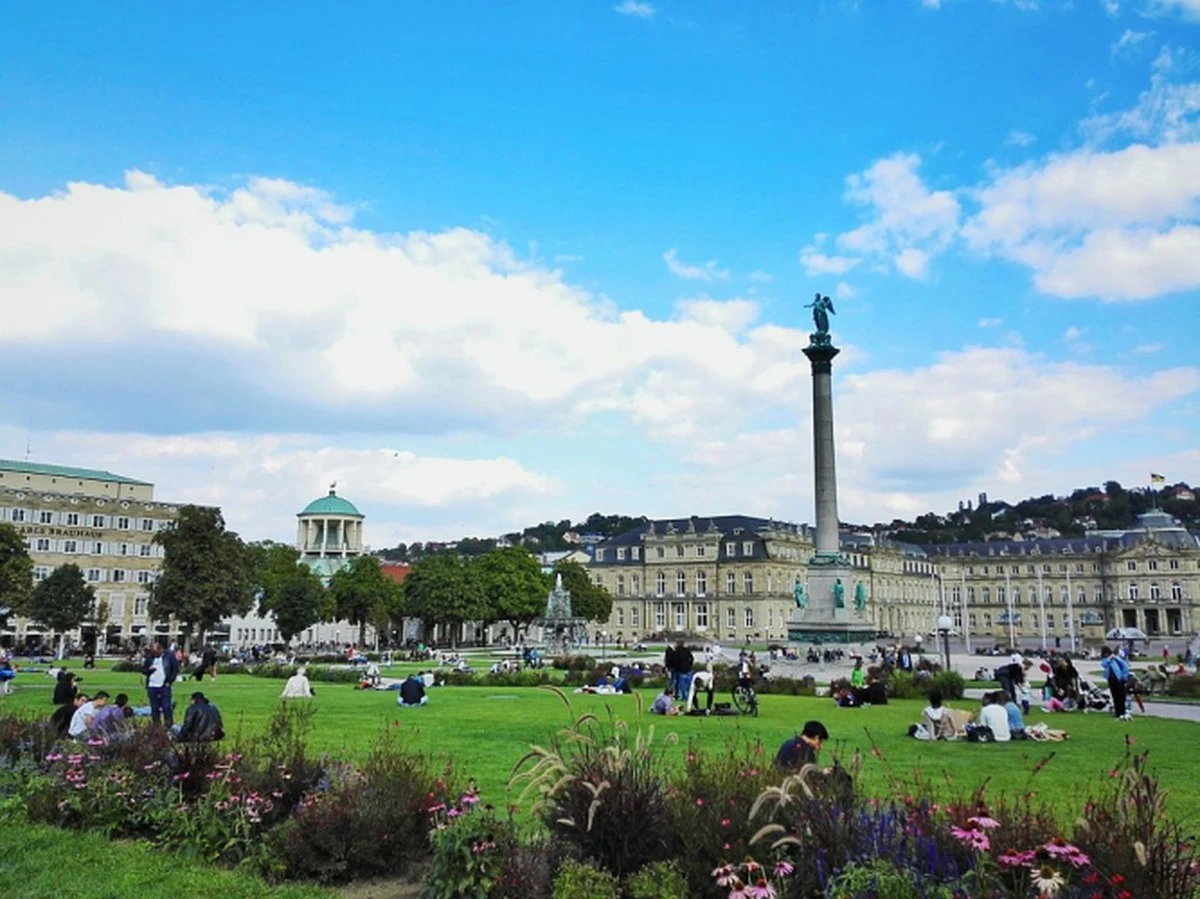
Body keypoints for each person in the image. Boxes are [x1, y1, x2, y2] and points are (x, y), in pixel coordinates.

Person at [142, 642, 180, 727]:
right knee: (154, 708)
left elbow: (175, 669)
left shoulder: (169, 656)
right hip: (152, 686)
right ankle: (156, 726)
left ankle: (168, 725)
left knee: (166, 707)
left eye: (156, 653)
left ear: (161, 649)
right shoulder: (150, 657)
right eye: (153, 653)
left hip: (164, 685)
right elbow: (144, 670)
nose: (154, 655)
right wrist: (149, 670)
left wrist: (169, 681)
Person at [1100, 646, 1131, 721]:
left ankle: (1122, 712)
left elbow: (1125, 666)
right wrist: (1109, 658)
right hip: (1111, 679)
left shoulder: (1116, 659)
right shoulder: (1107, 660)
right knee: (1115, 696)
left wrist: (1123, 676)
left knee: (1121, 696)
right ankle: (1117, 712)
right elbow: (1103, 664)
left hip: (1119, 679)